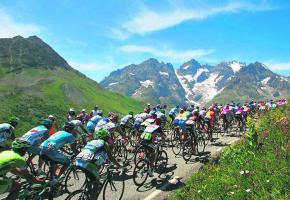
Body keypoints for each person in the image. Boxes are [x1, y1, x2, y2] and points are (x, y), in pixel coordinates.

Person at [75, 129, 121, 197]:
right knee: (97, 182)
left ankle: (87, 192)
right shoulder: (104, 143)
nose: (109, 138)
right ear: (105, 138)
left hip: (78, 160)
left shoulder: (92, 141)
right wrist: (118, 165)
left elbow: (96, 156)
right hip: (88, 163)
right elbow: (110, 157)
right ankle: (92, 197)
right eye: (108, 137)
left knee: (91, 175)